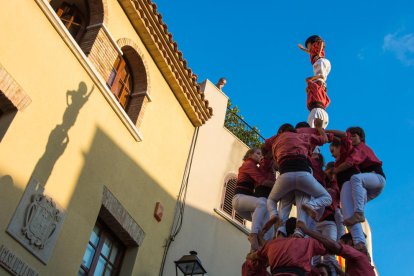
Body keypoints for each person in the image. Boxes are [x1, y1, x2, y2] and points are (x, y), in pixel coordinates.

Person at [264, 121, 332, 234]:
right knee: (321, 197)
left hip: (285, 175)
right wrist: (319, 127)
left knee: (277, 201)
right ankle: (300, 229)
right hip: (303, 172)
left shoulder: (276, 139)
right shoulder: (304, 135)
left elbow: (264, 146)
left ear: (280, 131)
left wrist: (270, 158)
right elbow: (325, 139)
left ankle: (278, 224)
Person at [233, 148, 275, 250]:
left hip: (246, 204)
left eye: (261, 154)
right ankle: (254, 234)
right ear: (250, 155)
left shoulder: (255, 167)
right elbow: (262, 181)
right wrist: (281, 185)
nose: (260, 156)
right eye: (257, 153)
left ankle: (257, 251)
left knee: (265, 222)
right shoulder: (248, 164)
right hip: (239, 199)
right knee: (262, 203)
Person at [297, 222, 375, 276]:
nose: (337, 253)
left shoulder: (358, 256)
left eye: (342, 244)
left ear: (350, 243)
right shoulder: (354, 261)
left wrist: (306, 230)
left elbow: (334, 245)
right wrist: (339, 271)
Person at [344, 127, 386, 226]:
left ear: (361, 138)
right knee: (353, 203)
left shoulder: (361, 147)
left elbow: (350, 162)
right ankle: (359, 231)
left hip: (377, 177)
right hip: (370, 187)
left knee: (355, 178)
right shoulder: (354, 150)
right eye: (350, 138)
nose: (351, 139)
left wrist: (335, 170)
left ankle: (359, 214)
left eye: (354, 136)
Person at [298, 35, 331, 129]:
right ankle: (321, 78)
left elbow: (321, 43)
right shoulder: (312, 50)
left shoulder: (316, 46)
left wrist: (320, 52)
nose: (308, 47)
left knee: (319, 75)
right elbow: (309, 51)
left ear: (311, 42)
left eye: (308, 45)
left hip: (320, 60)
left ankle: (321, 78)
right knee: (320, 76)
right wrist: (303, 49)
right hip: (321, 62)